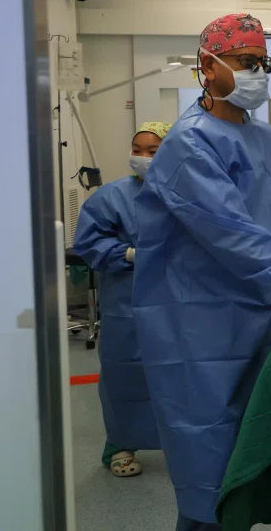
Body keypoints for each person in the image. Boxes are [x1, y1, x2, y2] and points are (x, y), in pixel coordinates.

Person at [132, 13, 271, 531]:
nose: (257, 72)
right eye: (244, 62)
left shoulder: (269, 142)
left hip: (256, 312)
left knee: (252, 438)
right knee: (206, 443)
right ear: (207, 69)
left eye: (262, 63)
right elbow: (229, 228)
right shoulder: (189, 143)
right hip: (195, 320)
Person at [73, 121, 171, 479]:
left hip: (179, 303)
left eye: (153, 151)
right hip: (125, 301)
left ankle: (183, 446)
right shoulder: (110, 197)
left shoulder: (187, 195)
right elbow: (88, 242)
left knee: (178, 376)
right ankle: (120, 444)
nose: (142, 157)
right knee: (123, 372)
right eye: (137, 149)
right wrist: (127, 254)